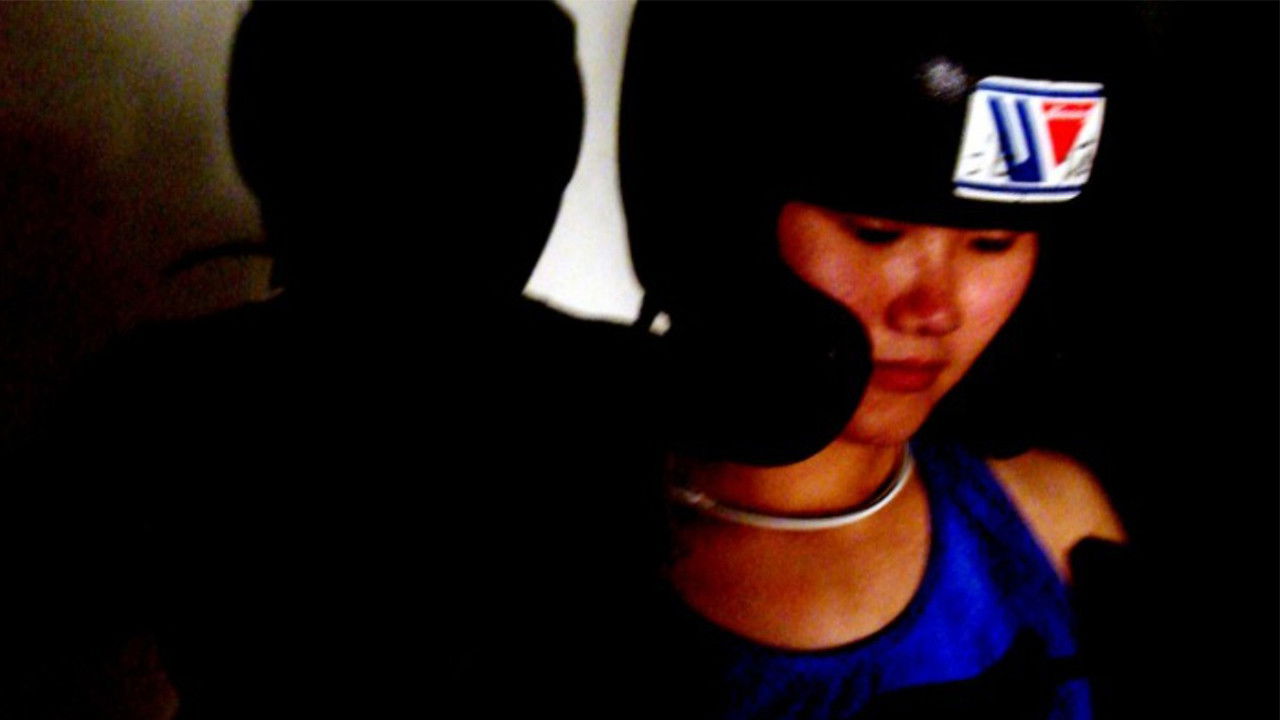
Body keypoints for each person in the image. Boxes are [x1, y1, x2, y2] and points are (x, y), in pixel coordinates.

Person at [612, 4, 1161, 717]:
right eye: (876, 235)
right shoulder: (559, 543)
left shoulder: (1053, 516)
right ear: (717, 223)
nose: (935, 311)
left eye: (993, 243)